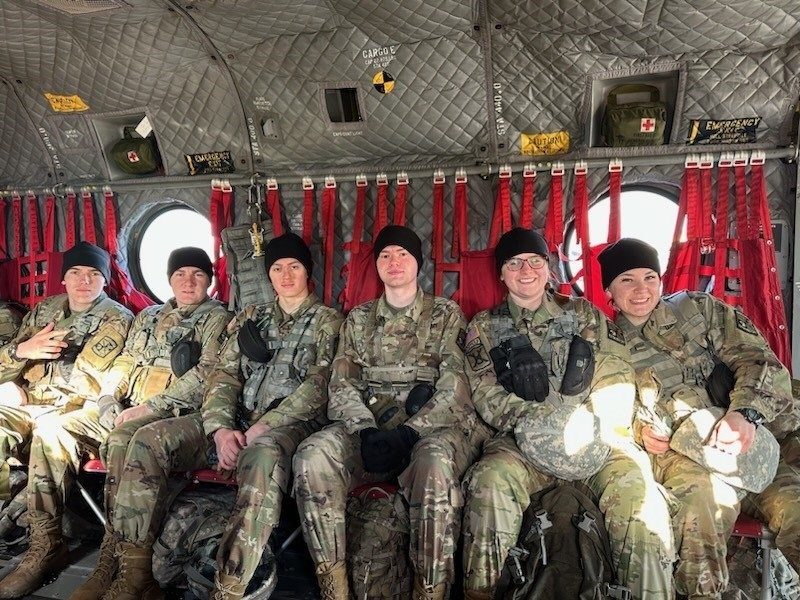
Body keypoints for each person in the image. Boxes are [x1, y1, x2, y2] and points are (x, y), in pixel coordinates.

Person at [77, 232, 341, 600]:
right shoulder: (253, 317)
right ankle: (133, 576)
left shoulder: (328, 321)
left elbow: (318, 386)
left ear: (307, 272)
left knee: (261, 457)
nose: (285, 275)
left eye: (294, 266)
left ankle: (230, 587)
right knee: (146, 441)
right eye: (277, 267)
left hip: (283, 428)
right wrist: (219, 428)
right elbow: (224, 375)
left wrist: (267, 425)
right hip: (231, 422)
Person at [460, 227, 676, 600]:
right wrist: (533, 421)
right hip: (522, 442)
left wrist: (593, 423)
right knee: (491, 482)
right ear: (501, 273)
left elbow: (616, 372)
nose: (525, 270)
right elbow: (484, 391)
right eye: (514, 263)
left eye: (534, 261)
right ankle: (481, 592)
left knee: (638, 497)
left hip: (593, 439)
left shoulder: (583, 313)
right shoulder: (484, 326)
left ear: (548, 267)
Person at [293, 224, 488, 600]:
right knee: (312, 457)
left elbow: (456, 388)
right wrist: (365, 430)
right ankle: (334, 585)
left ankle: (429, 588)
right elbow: (341, 382)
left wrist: (411, 433)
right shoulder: (359, 319)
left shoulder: (446, 315)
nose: (393, 262)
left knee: (433, 464)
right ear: (377, 265)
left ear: (417, 264)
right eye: (385, 255)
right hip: (369, 431)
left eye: (402, 254)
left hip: (429, 431)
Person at [597, 237, 797, 599]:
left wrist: (745, 414)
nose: (641, 289)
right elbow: (609, 408)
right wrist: (641, 432)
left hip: (751, 446)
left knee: (795, 507)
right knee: (700, 511)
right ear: (609, 289)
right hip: (681, 457)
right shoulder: (606, 343)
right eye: (627, 280)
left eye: (649, 277)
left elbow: (761, 363)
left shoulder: (698, 310)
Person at [62, 247, 229, 600]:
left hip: (181, 414)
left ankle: (126, 567)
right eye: (180, 274)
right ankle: (117, 560)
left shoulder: (218, 318)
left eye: (198, 275)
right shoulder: (149, 316)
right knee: (70, 429)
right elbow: (126, 359)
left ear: (209, 282)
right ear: (169, 279)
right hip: (130, 408)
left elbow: (206, 375)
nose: (188, 281)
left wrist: (148, 407)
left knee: (126, 439)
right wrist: (108, 396)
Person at [0, 241, 133, 596]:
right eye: (75, 273)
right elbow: (7, 363)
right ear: (63, 279)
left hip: (73, 412)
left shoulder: (116, 318)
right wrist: (19, 353)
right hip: (29, 404)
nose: (84, 281)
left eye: (93, 274)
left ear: (104, 281)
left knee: (50, 430)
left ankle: (44, 547)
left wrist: (27, 386)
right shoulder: (45, 311)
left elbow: (91, 379)